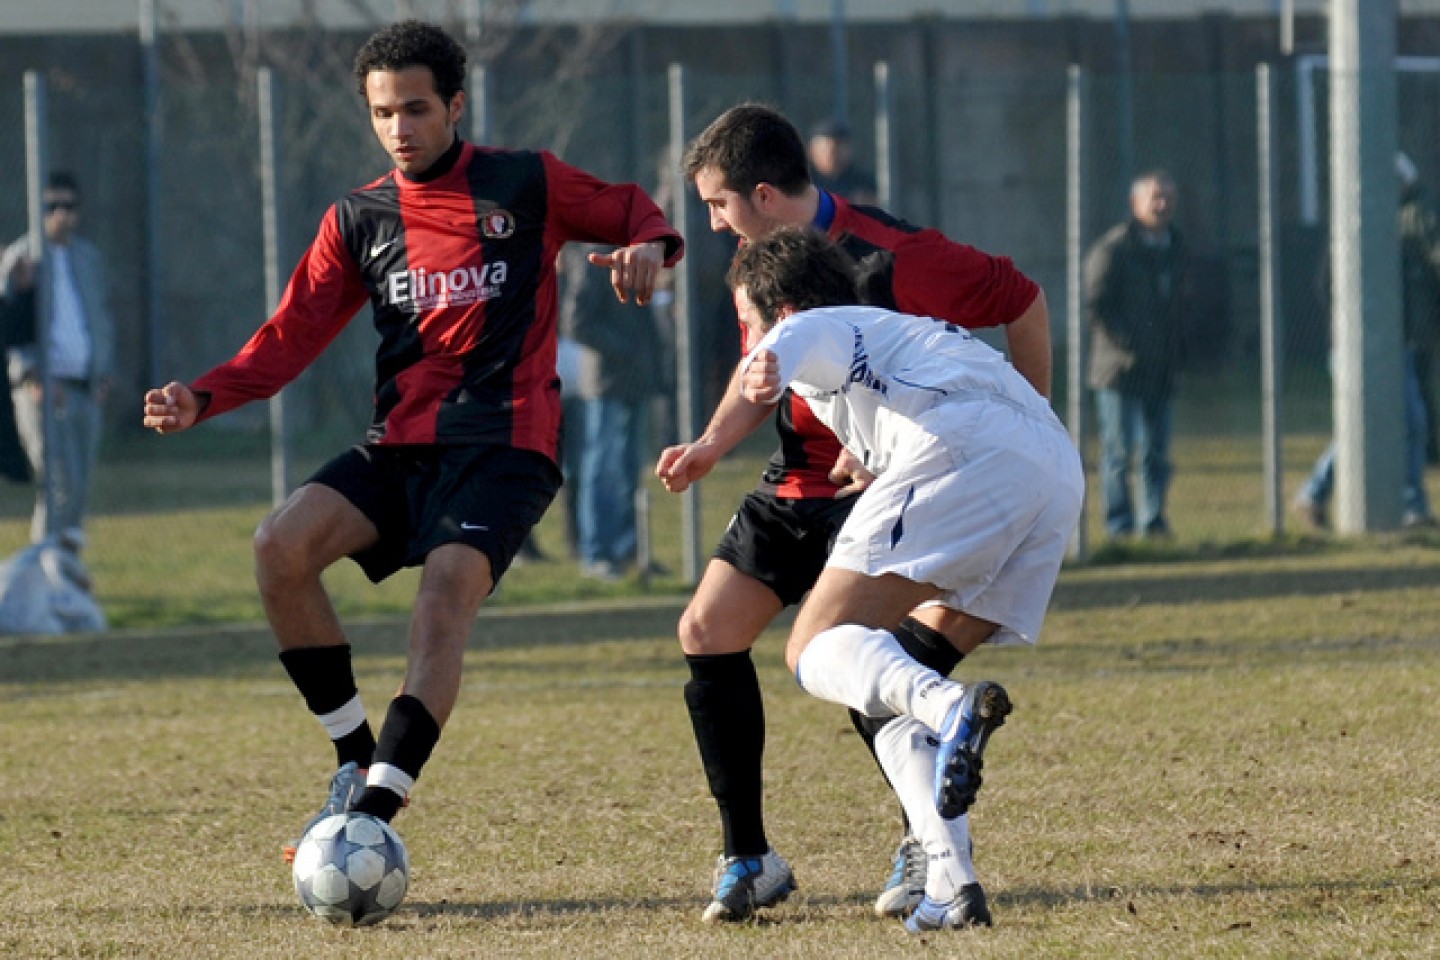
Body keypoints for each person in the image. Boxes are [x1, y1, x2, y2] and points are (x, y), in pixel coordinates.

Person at [141, 20, 682, 863]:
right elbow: (289, 337)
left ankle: (375, 812)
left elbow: (630, 209)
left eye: (418, 109)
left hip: (506, 446)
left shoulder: (525, 181)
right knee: (280, 546)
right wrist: (201, 396)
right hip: (400, 446)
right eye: (384, 112)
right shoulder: (359, 217)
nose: (401, 127)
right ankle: (354, 760)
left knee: (443, 592)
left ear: (455, 105)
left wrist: (649, 246)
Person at [656, 102, 1052, 924]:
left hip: (897, 486)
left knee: (860, 665)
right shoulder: (755, 268)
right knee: (708, 629)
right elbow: (767, 369)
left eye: (718, 206)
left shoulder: (898, 256)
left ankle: (930, 848)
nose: (715, 226)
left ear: (764, 195)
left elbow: (1021, 300)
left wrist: (1025, 417)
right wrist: (708, 445)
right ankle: (749, 856)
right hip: (795, 481)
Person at [718, 226, 1082, 932]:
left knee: (812, 648)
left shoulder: (811, 329)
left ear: (780, 312)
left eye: (745, 321)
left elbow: (794, 341)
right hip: (1054, 468)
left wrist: (764, 365)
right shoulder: (896, 333)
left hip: (968, 447)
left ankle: (949, 709)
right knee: (887, 679)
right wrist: (870, 457)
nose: (746, 339)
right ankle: (953, 887)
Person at [1294, 152, 1438, 530]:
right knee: (1380, 423)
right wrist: (1348, 333)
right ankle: (1402, 504)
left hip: (1396, 347)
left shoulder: (1398, 235)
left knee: (1404, 422)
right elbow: (1327, 286)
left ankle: (1405, 504)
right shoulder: (1353, 232)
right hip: (1355, 347)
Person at [0, 171, 116, 571]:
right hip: (43, 391)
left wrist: (103, 372)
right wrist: (33, 374)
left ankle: (66, 571)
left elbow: (99, 318)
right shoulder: (22, 258)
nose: (61, 216)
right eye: (52, 207)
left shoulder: (88, 258)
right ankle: (43, 571)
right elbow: (9, 327)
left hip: (85, 388)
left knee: (80, 487)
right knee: (57, 484)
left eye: (69, 206)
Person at [1084, 169, 1189, 540]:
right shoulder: (1114, 250)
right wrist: (1129, 346)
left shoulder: (1176, 248)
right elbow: (1096, 306)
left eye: (1168, 199)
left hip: (1161, 369)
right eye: (1154, 198)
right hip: (1120, 371)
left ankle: (1154, 521)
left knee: (1156, 453)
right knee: (1118, 452)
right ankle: (1120, 527)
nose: (1162, 206)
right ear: (1135, 204)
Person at [561, 244, 666, 580]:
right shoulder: (595, 260)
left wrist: (653, 367)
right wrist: (624, 350)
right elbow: (577, 322)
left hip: (636, 381)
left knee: (629, 467)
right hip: (606, 382)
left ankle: (627, 546)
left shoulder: (637, 259)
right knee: (602, 468)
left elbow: (647, 322)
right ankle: (597, 552)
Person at [806, 118, 877, 206]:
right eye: (825, 148)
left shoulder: (862, 181)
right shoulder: (801, 180)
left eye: (839, 147)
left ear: (850, 149)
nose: (832, 153)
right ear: (812, 150)